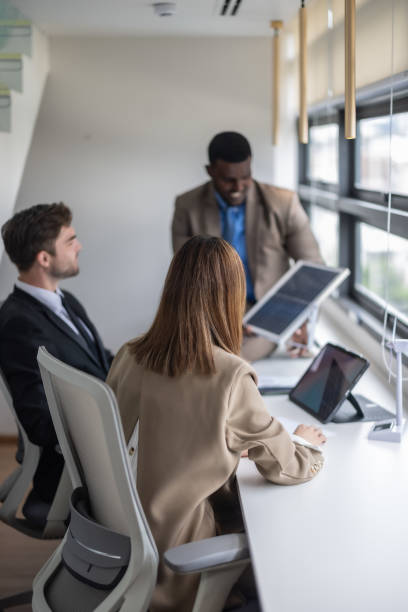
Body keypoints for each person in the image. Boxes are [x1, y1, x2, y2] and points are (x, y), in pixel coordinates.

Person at [107, 235, 326, 612]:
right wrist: (305, 442)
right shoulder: (229, 375)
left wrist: (217, 443)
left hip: (117, 543)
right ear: (231, 297)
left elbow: (149, 437)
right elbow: (287, 467)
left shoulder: (129, 353)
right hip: (177, 557)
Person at [0, 203, 113, 525]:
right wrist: (112, 421)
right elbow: (40, 421)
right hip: (74, 469)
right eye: (70, 240)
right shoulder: (18, 324)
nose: (79, 246)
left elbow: (101, 360)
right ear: (44, 258)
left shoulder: (65, 301)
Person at [171, 131, 324, 361]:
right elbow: (186, 276)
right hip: (210, 312)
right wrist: (222, 318)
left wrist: (300, 318)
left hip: (267, 313)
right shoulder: (187, 206)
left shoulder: (284, 203)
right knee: (183, 358)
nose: (238, 186)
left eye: (246, 177)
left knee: (225, 362)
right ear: (210, 171)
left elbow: (313, 270)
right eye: (228, 180)